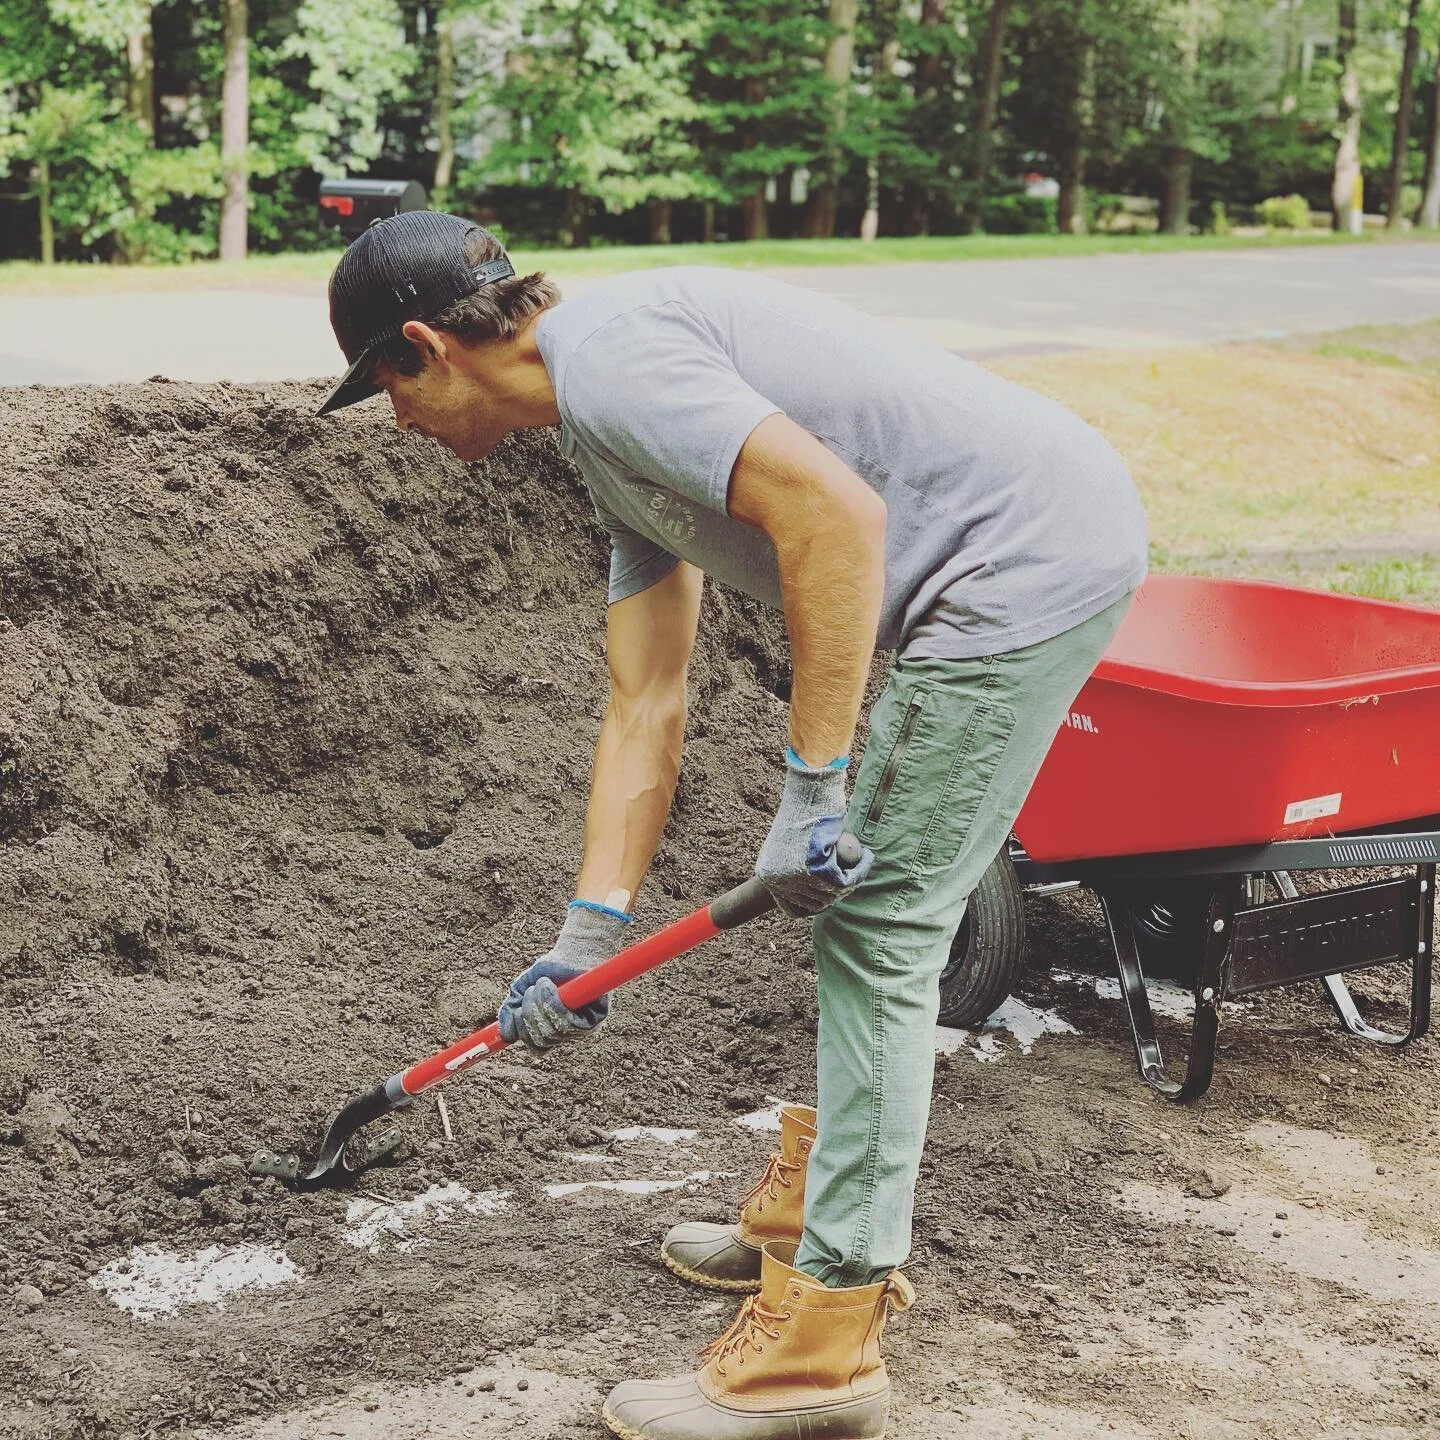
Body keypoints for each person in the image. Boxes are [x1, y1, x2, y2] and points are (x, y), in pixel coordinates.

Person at [319, 209, 1147, 1440]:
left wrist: (814, 789)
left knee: (877, 934)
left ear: (428, 347)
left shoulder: (617, 365)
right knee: (871, 928)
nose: (395, 422)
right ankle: (802, 1222)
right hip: (1001, 563)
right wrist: (586, 930)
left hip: (1013, 571)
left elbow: (840, 520)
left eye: (385, 389)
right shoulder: (604, 438)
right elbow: (645, 698)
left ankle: (824, 1341)